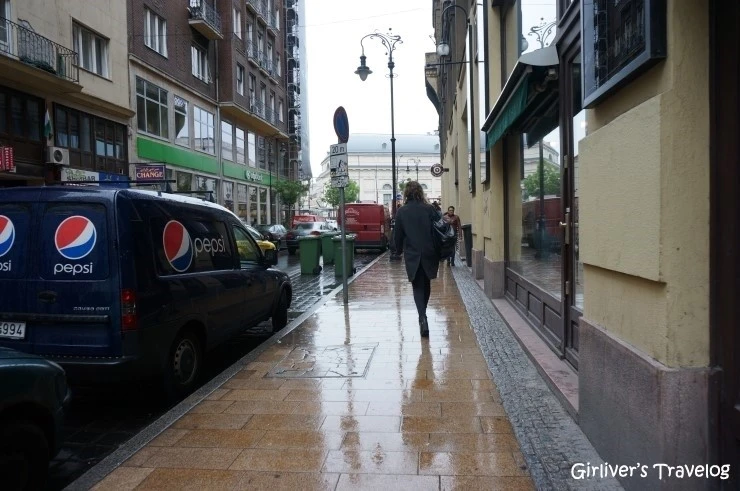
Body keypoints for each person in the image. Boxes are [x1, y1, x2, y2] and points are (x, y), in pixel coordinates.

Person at [393, 181, 440, 337]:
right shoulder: (430, 209)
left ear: (406, 193)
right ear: (420, 192)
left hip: (412, 254)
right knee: (426, 284)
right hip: (429, 252)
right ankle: (423, 315)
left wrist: (397, 251)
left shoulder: (402, 211)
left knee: (417, 286)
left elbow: (397, 235)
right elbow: (438, 229)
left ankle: (422, 317)